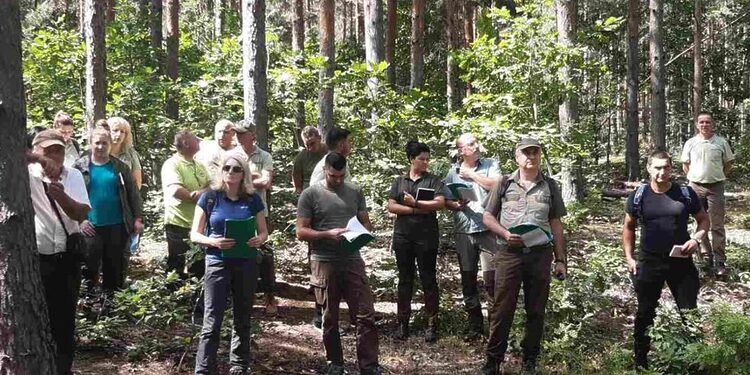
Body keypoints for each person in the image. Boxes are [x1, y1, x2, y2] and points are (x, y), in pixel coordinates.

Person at [481, 137, 567, 375]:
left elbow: (556, 223)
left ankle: (530, 358)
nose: (531, 157)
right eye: (525, 153)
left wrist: (560, 260)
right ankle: (493, 360)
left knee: (536, 309)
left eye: (535, 152)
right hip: (509, 254)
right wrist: (505, 234)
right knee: (502, 308)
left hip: (540, 254)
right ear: (517, 157)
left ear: (540, 156)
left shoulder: (550, 185)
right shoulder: (504, 182)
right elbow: (488, 217)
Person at [296, 153, 381, 375]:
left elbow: (366, 222)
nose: (339, 180)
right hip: (324, 262)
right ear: (325, 170)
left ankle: (369, 366)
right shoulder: (310, 194)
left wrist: (361, 233)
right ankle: (335, 362)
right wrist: (326, 234)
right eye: (334, 176)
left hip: (352, 259)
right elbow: (301, 231)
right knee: (329, 316)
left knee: (365, 315)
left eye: (342, 175)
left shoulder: (354, 191)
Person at [624, 150, 709, 370]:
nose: (662, 172)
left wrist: (696, 239)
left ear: (672, 168)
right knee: (645, 312)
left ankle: (696, 362)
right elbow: (628, 227)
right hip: (649, 263)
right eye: (657, 167)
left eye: (666, 167)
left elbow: (703, 221)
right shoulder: (639, 196)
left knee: (689, 312)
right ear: (649, 168)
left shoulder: (685, 193)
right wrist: (629, 258)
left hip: (681, 262)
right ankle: (640, 362)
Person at [190, 153, 269, 375]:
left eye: (236, 169)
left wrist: (258, 239)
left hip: (246, 261)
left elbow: (264, 232)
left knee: (242, 316)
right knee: (212, 319)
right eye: (226, 168)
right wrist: (214, 242)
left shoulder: (252, 199)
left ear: (243, 173)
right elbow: (195, 234)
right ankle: (204, 369)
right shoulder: (209, 198)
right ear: (220, 171)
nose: (230, 172)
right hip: (217, 262)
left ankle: (239, 364)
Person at [27, 130, 91, 375]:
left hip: (66, 260)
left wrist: (62, 196)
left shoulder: (72, 175)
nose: (55, 155)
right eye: (49, 150)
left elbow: (80, 213)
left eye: (59, 150)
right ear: (36, 150)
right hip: (35, 261)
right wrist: (39, 162)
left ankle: (62, 369)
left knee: (64, 322)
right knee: (32, 318)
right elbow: (11, 151)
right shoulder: (23, 175)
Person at [386, 141, 445, 342]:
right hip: (403, 236)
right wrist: (415, 210)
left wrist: (415, 202)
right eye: (422, 159)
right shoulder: (400, 181)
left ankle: (432, 324)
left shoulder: (434, 180)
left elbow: (439, 203)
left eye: (428, 159)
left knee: (428, 278)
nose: (426, 162)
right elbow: (391, 205)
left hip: (427, 237)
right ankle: (402, 323)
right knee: (405, 279)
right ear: (411, 159)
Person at [443, 133, 501, 339]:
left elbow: (496, 185)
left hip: (488, 230)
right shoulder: (452, 172)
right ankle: (475, 328)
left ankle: (495, 330)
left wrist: (472, 176)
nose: (476, 146)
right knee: (468, 280)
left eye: (476, 142)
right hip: (464, 231)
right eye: (470, 144)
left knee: (492, 281)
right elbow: (445, 200)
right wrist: (455, 204)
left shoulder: (490, 164)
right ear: (461, 151)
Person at [74, 128, 143, 293]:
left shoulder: (120, 167)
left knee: (115, 269)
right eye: (97, 143)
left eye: (104, 143)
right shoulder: (79, 167)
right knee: (89, 270)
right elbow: (70, 195)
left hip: (117, 225)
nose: (100, 146)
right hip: (90, 227)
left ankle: (111, 308)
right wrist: (80, 221)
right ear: (91, 144)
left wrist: (138, 218)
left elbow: (133, 194)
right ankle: (89, 308)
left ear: (110, 144)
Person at [680, 111, 734, 276]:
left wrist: (719, 177)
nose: (704, 125)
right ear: (697, 125)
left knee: (717, 225)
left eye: (708, 122)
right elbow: (685, 164)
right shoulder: (691, 143)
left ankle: (720, 261)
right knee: (699, 223)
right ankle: (705, 257)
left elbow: (728, 163)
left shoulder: (721, 142)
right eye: (701, 122)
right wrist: (694, 179)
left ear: (713, 124)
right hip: (696, 187)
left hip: (715, 188)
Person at [231, 120, 277, 313]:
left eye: (243, 133)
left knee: (265, 254)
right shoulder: (231, 156)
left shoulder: (264, 156)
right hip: (235, 211)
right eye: (237, 134)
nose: (239, 137)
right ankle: (239, 299)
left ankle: (270, 297)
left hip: (260, 212)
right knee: (236, 252)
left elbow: (266, 182)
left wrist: (243, 178)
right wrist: (253, 177)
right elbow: (227, 182)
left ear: (252, 134)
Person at [161, 130, 210, 278]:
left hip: (198, 224)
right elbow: (176, 190)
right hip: (178, 223)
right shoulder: (172, 164)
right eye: (196, 139)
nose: (199, 141)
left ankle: (195, 298)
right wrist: (194, 195)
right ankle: (173, 297)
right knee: (177, 265)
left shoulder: (199, 165)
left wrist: (201, 193)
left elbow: (212, 186)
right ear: (186, 143)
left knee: (198, 264)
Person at [108, 116, 144, 189]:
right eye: (115, 130)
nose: (119, 134)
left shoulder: (131, 153)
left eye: (122, 132)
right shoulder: (99, 152)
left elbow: (137, 181)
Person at [292, 125, 327, 193]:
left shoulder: (330, 151)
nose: (310, 148)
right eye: (307, 145)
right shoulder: (301, 157)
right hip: (309, 192)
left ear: (319, 138)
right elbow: (297, 180)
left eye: (312, 143)